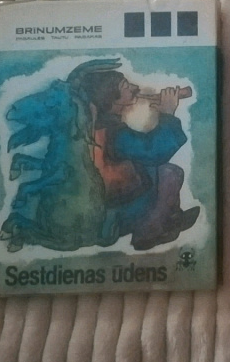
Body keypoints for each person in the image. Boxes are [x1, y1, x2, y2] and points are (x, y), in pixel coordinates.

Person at [81, 68, 200, 250]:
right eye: (126, 86)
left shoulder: (102, 125)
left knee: (163, 171)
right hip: (118, 209)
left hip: (117, 196)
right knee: (170, 174)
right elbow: (153, 151)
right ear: (112, 99)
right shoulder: (114, 134)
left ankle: (170, 218)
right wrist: (168, 114)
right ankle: (148, 233)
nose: (134, 87)